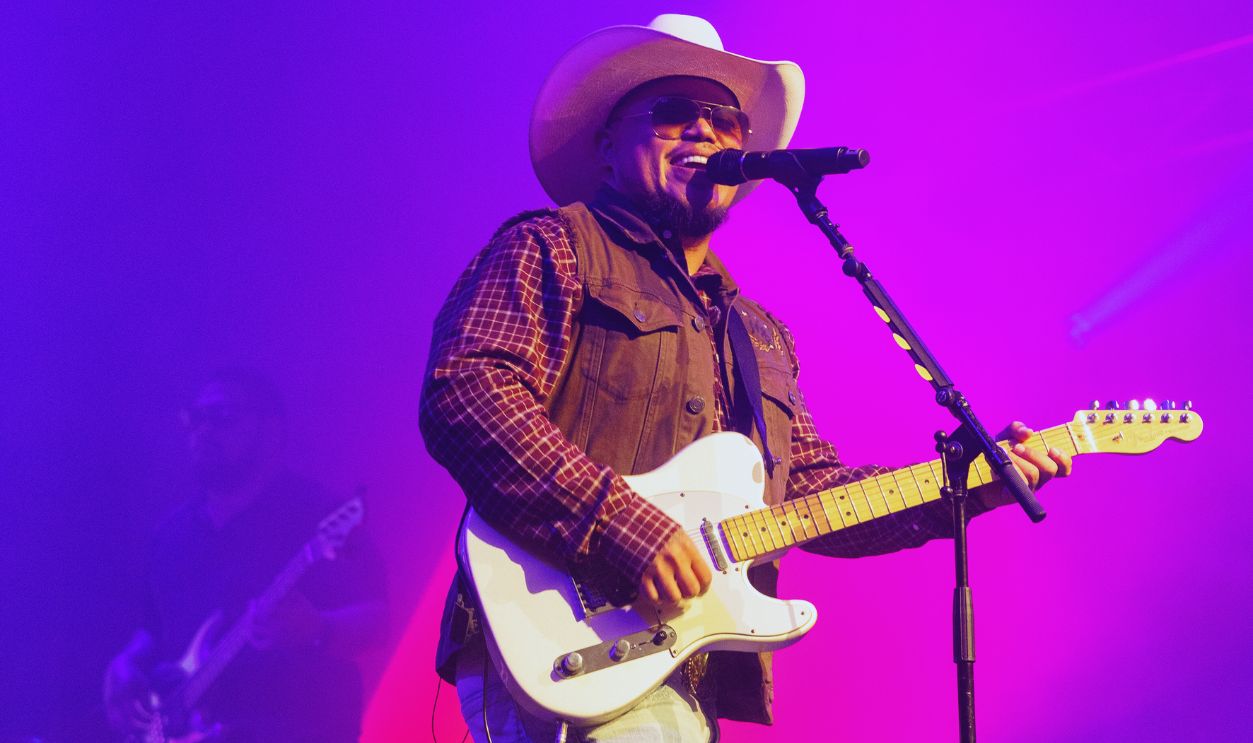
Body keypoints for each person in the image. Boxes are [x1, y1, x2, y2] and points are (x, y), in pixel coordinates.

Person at [419, 15, 1071, 742]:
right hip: (559, 636)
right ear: (606, 147)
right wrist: (621, 527)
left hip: (681, 658)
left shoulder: (758, 332)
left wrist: (969, 482)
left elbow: (807, 493)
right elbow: (467, 391)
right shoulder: (554, 245)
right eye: (673, 113)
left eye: (723, 121)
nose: (703, 132)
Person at [104, 369, 387, 742]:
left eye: (222, 416)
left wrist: (318, 629)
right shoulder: (170, 535)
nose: (203, 430)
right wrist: (124, 665)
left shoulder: (321, 516)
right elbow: (151, 632)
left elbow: (375, 619)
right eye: (195, 418)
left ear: (272, 430)